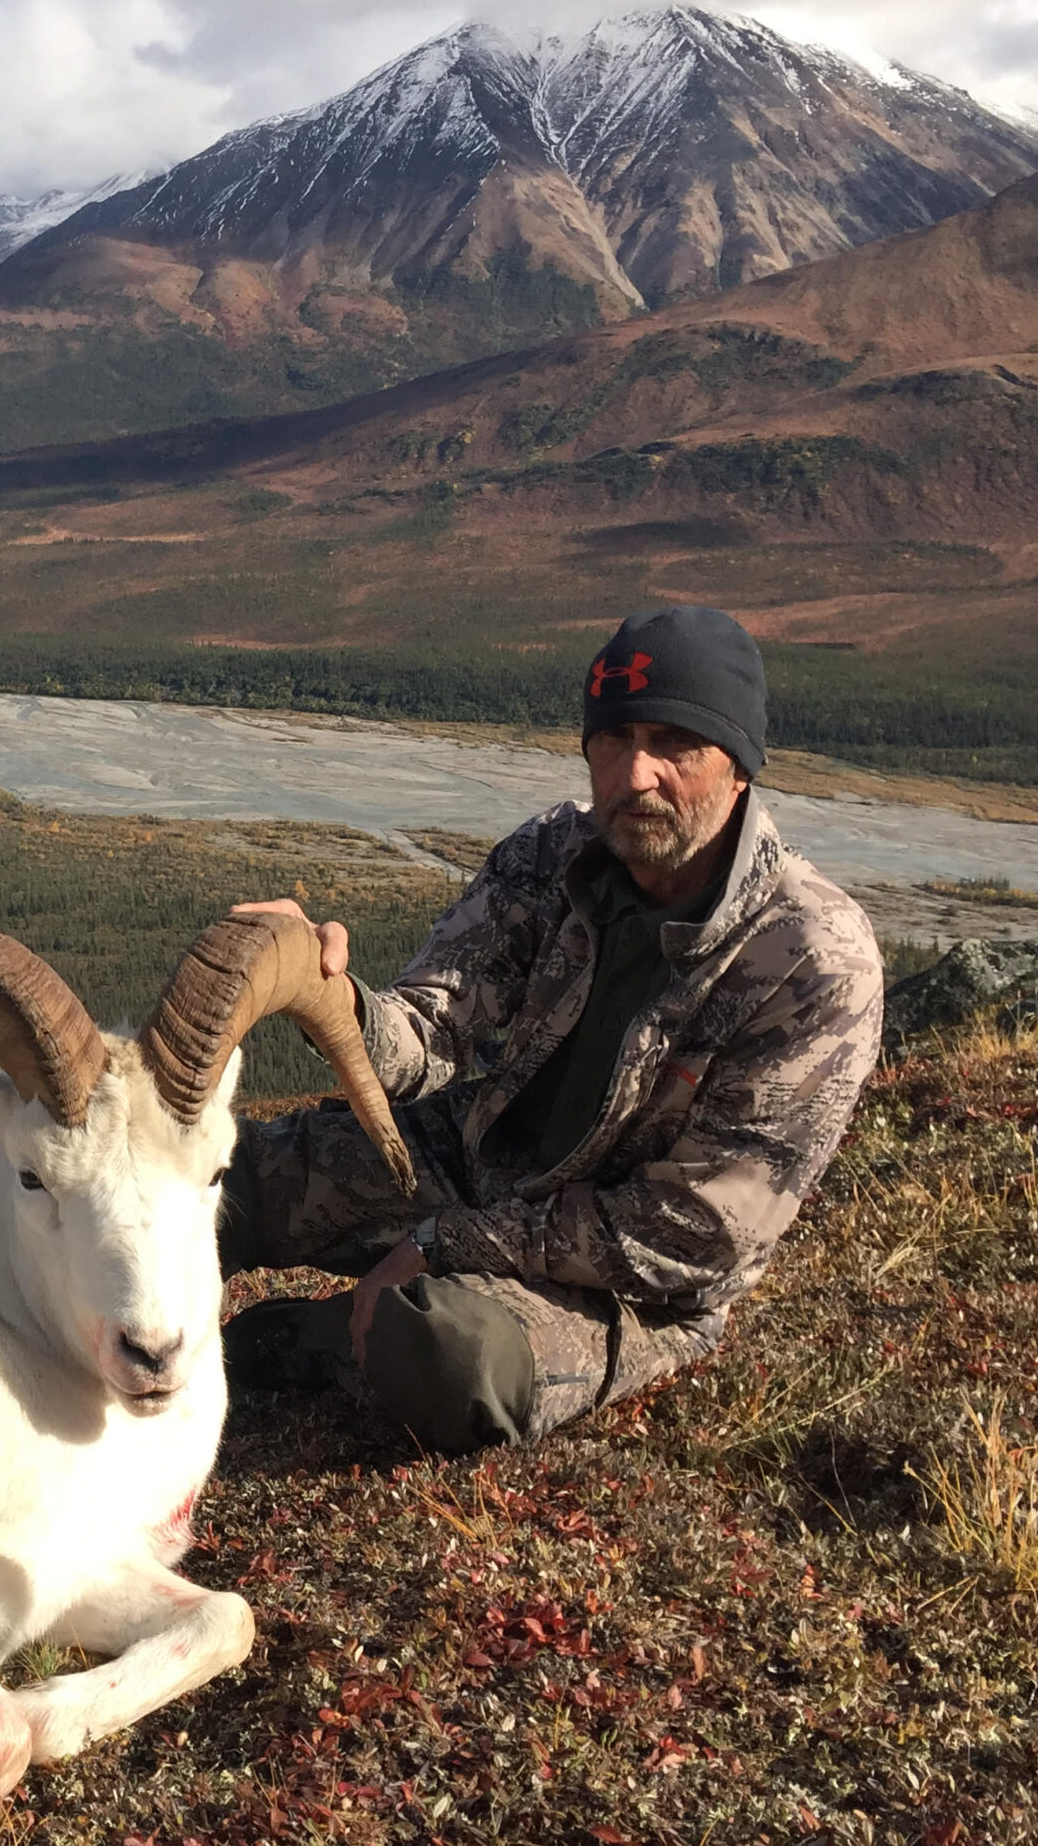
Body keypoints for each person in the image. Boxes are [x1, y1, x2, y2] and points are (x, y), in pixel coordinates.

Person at [221, 605, 883, 1452]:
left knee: (446, 1351)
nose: (635, 774)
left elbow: (693, 1232)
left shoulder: (813, 960)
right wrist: (335, 999)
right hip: (469, 1160)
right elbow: (430, 1035)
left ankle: (311, 1339)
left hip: (623, 1275)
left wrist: (445, 1244)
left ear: (739, 765)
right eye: (613, 739)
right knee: (206, 1178)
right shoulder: (550, 854)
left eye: (675, 743)